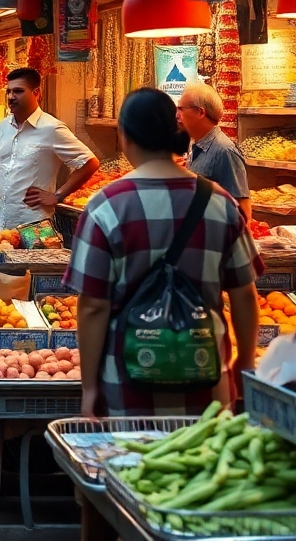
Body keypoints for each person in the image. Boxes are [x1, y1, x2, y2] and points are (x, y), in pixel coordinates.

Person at [66, 87, 261, 417]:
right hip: (207, 383)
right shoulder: (219, 203)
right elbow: (244, 295)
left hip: (128, 384)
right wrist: (244, 364)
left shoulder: (105, 207)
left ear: (125, 136)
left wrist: (89, 388)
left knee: (133, 466)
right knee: (206, 466)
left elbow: (93, 308)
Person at [0, 67, 99, 232]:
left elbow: (89, 162)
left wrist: (58, 195)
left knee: (33, 259)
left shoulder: (52, 128)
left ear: (37, 93)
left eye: (18, 91)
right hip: (0, 223)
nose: (11, 97)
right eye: (9, 91)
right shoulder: (2, 127)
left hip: (34, 225)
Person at [178, 81, 251, 220]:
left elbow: (242, 209)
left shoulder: (224, 151)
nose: (177, 115)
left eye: (181, 109)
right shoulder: (195, 145)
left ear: (200, 112)